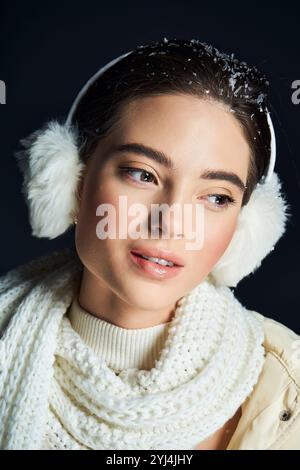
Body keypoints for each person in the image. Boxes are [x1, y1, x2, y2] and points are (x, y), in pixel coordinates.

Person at [0, 37, 299, 450]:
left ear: (244, 228)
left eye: (216, 197)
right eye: (142, 174)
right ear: (73, 180)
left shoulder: (288, 387)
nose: (171, 223)